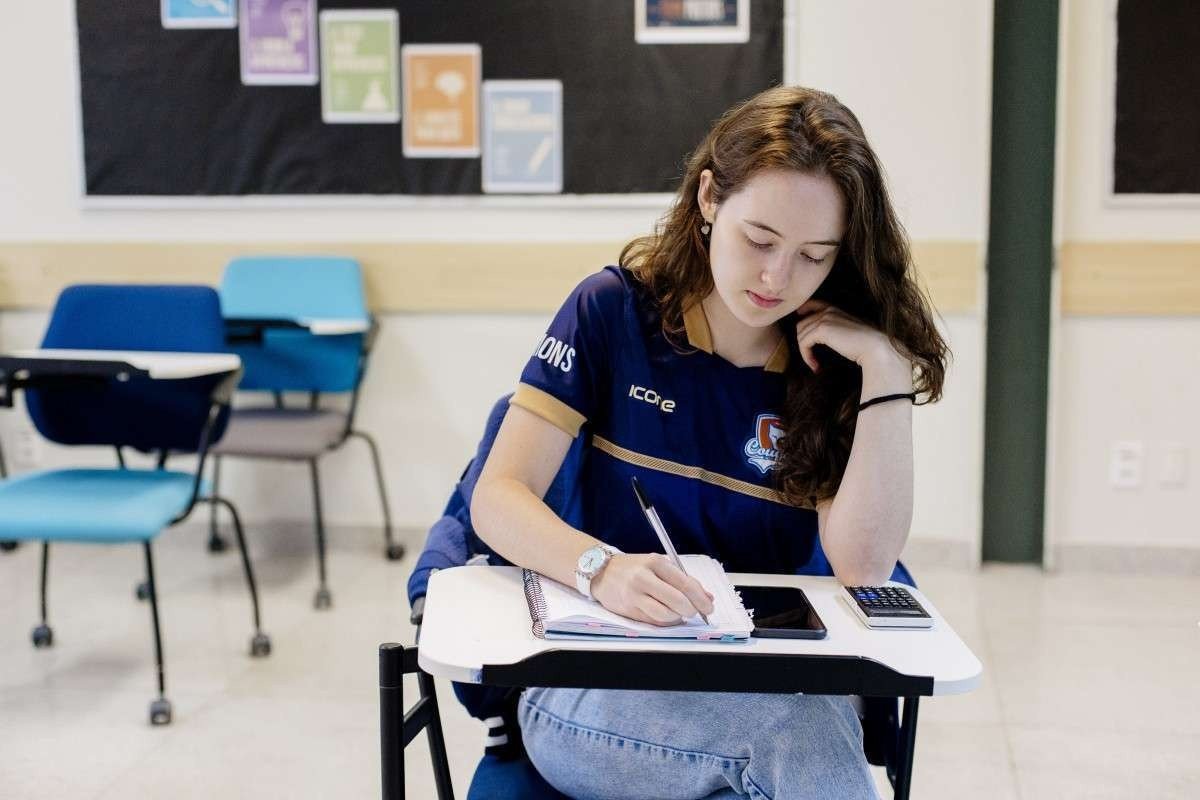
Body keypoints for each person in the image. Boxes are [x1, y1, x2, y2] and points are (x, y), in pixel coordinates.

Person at [471, 85, 948, 800]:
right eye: (759, 240)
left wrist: (884, 371)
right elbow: (496, 498)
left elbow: (864, 566)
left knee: (802, 731)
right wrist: (601, 567)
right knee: (797, 740)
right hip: (590, 685)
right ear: (708, 200)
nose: (776, 279)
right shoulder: (611, 313)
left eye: (815, 256)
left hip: (761, 678)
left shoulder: (828, 363)